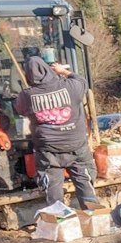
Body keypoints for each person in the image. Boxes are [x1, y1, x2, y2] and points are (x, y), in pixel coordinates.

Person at [13, 51, 97, 211]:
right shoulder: (70, 86)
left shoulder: (27, 95)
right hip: (76, 147)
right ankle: (93, 218)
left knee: (53, 191)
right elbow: (82, 82)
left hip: (49, 152)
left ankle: (61, 225)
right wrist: (63, 71)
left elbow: (17, 109)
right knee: (85, 184)